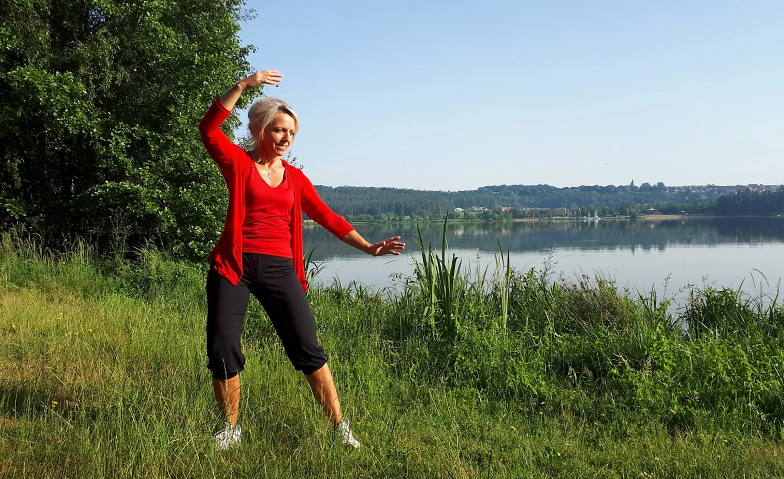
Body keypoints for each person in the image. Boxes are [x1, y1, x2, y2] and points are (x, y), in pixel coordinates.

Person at [199, 70, 405, 450]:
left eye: (291, 133)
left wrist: (367, 247)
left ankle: (340, 429)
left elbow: (327, 217)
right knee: (223, 347)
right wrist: (242, 86)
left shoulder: (295, 178)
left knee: (306, 347)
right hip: (234, 266)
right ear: (260, 128)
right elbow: (209, 129)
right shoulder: (239, 164)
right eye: (279, 130)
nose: (286, 138)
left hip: (279, 267)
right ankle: (229, 428)